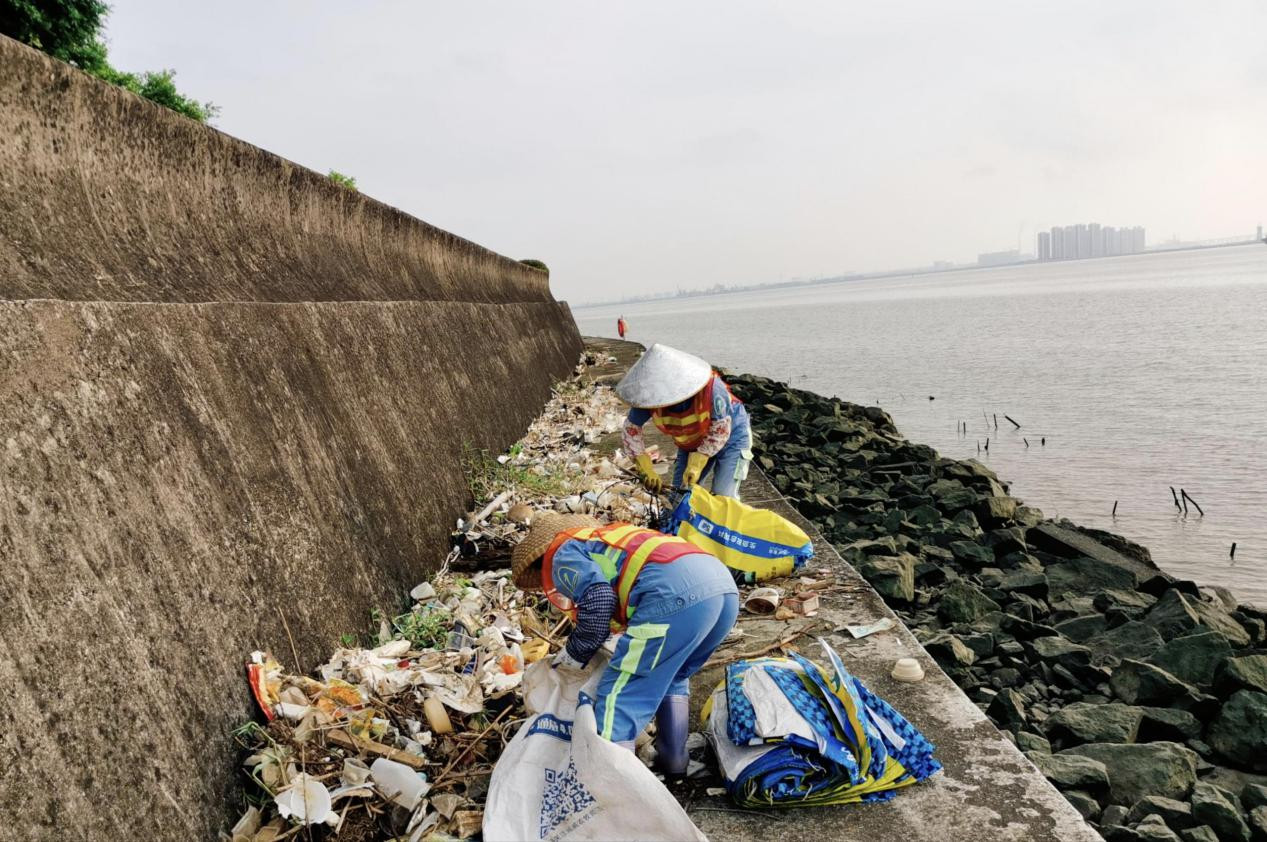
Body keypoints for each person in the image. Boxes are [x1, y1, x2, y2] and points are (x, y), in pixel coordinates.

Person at [512, 513, 738, 776]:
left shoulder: (563, 554)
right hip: (723, 590)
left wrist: (573, 655)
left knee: (618, 698)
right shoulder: (606, 540)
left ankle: (612, 791)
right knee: (672, 676)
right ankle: (675, 763)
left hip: (674, 597)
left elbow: (598, 601)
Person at [616, 343, 752, 499]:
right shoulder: (650, 396)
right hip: (691, 441)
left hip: (732, 436)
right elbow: (630, 428)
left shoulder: (712, 389)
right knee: (679, 496)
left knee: (724, 495)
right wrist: (645, 466)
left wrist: (697, 462)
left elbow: (720, 429)